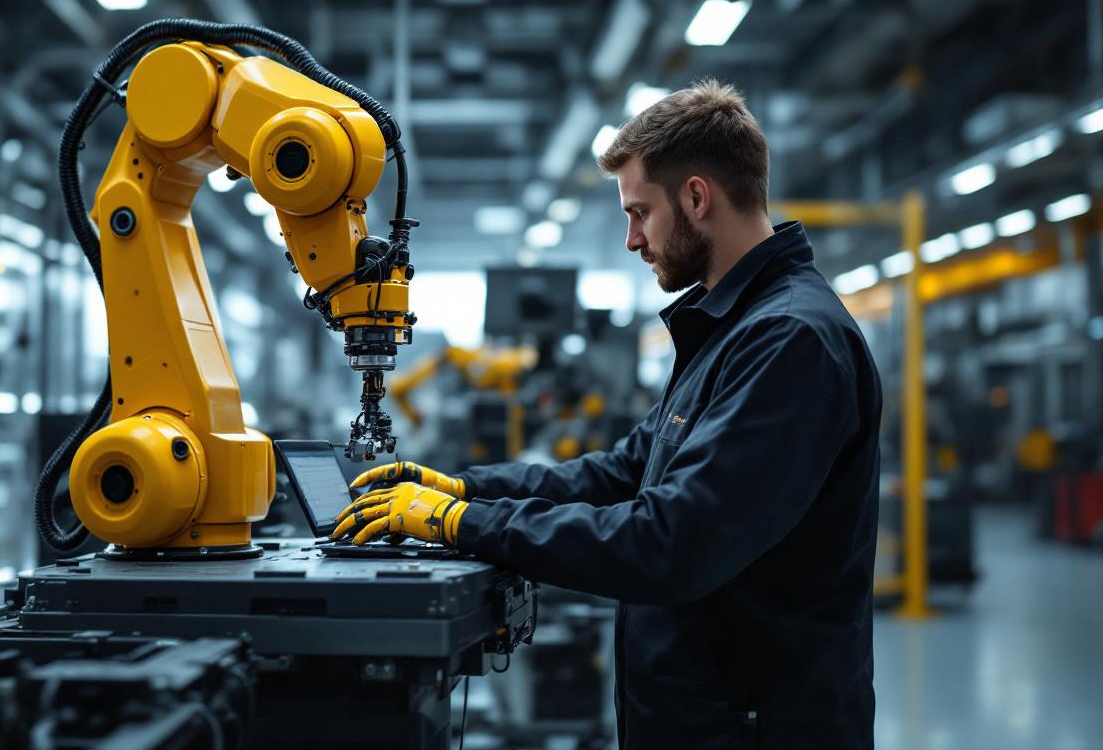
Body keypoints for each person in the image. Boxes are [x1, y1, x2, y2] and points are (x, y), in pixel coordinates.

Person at [333, 79, 881, 749]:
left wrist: (465, 526)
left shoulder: (790, 341)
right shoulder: (730, 328)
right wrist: (465, 489)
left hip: (757, 729)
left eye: (640, 213)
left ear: (697, 197)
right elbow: (624, 473)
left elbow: (670, 543)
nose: (631, 239)